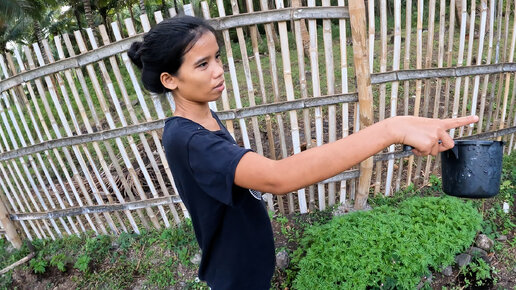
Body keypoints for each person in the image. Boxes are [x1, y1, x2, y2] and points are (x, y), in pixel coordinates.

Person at [128, 15, 478, 290]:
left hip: (248, 261)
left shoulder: (203, 119)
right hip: (235, 275)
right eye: (202, 65)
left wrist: (400, 122)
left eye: (217, 57)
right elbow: (278, 178)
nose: (219, 70)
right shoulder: (189, 140)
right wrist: (391, 129)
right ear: (169, 80)